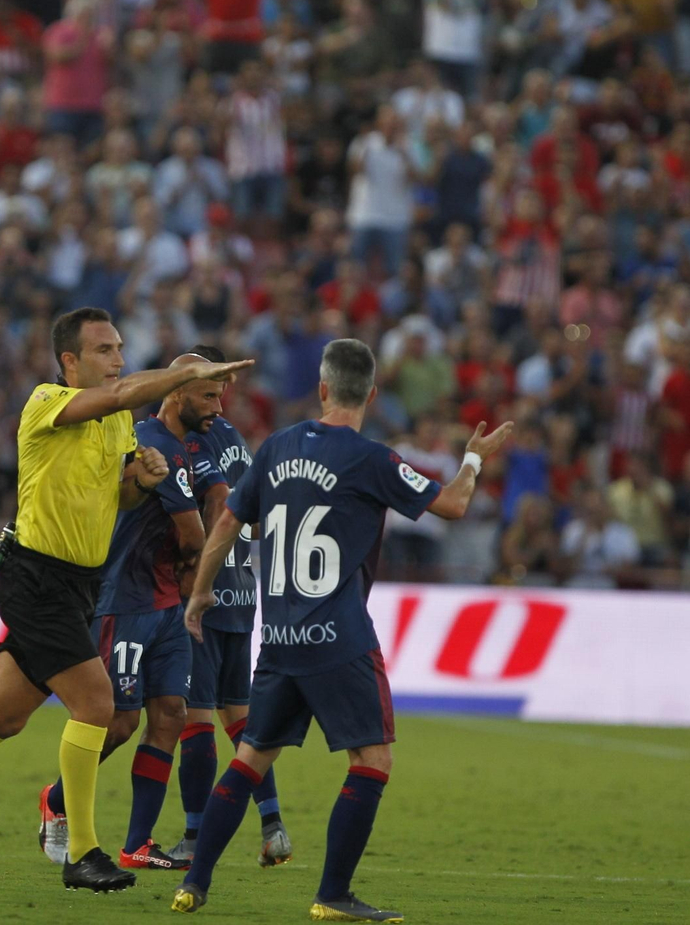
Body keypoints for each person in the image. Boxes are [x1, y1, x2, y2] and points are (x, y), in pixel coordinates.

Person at [0, 307, 251, 892]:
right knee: (98, 703)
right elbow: (125, 395)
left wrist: (140, 482)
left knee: (2, 717)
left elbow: (111, 501)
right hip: (34, 578)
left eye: (119, 349)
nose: (117, 360)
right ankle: (83, 853)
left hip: (78, 587)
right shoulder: (45, 402)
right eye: (104, 351)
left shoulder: (116, 427)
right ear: (70, 361)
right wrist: (182, 373)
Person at [173, 338, 512, 921]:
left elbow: (228, 518)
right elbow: (454, 505)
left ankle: (193, 886)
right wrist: (474, 458)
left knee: (250, 758)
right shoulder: (371, 459)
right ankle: (332, 895)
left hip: (278, 642)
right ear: (372, 396)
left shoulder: (276, 447)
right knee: (372, 761)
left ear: (323, 389)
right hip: (339, 639)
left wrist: (201, 591)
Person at [37, 353, 227, 872]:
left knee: (169, 715)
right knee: (119, 722)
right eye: (207, 395)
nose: (218, 406)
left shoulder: (188, 447)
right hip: (125, 600)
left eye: (220, 395)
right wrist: (201, 571)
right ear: (176, 393)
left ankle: (138, 844)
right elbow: (191, 533)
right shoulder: (151, 443)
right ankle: (55, 800)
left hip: (167, 604)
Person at [167, 345, 291, 869]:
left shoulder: (196, 438)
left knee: (194, 721)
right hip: (243, 594)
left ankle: (194, 839)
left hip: (208, 592)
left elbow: (216, 507)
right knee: (240, 719)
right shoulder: (238, 441)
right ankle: (273, 826)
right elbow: (259, 522)